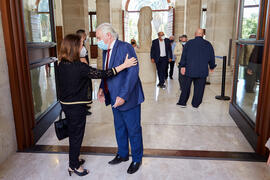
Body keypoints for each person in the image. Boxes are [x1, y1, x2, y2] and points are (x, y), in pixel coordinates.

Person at [58, 34, 137, 177]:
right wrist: (124, 65)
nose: (84, 47)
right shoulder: (79, 67)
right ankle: (74, 166)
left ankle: (73, 159)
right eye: (81, 45)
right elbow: (103, 73)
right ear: (74, 48)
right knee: (76, 136)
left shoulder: (62, 63)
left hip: (66, 105)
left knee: (73, 135)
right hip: (76, 108)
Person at [96, 23, 145, 174]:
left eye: (98, 37)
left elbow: (132, 73)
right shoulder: (106, 51)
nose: (97, 41)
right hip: (113, 98)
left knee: (133, 129)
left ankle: (136, 159)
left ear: (108, 36)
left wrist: (123, 96)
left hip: (128, 97)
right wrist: (102, 88)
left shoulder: (125, 47)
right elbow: (107, 71)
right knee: (119, 128)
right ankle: (123, 154)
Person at [177, 29, 216, 108]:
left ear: (195, 34)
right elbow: (212, 57)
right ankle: (195, 104)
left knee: (186, 87)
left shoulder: (189, 43)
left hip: (189, 69)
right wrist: (211, 66)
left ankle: (182, 102)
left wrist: (182, 66)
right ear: (203, 35)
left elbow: (184, 55)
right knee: (199, 88)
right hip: (202, 70)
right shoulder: (208, 44)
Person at [76, 29, 92, 115]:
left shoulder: (82, 44)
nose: (86, 36)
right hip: (82, 69)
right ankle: (83, 108)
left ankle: (85, 104)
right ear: (82, 35)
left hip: (85, 67)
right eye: (85, 35)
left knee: (86, 87)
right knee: (83, 88)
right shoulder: (77, 45)